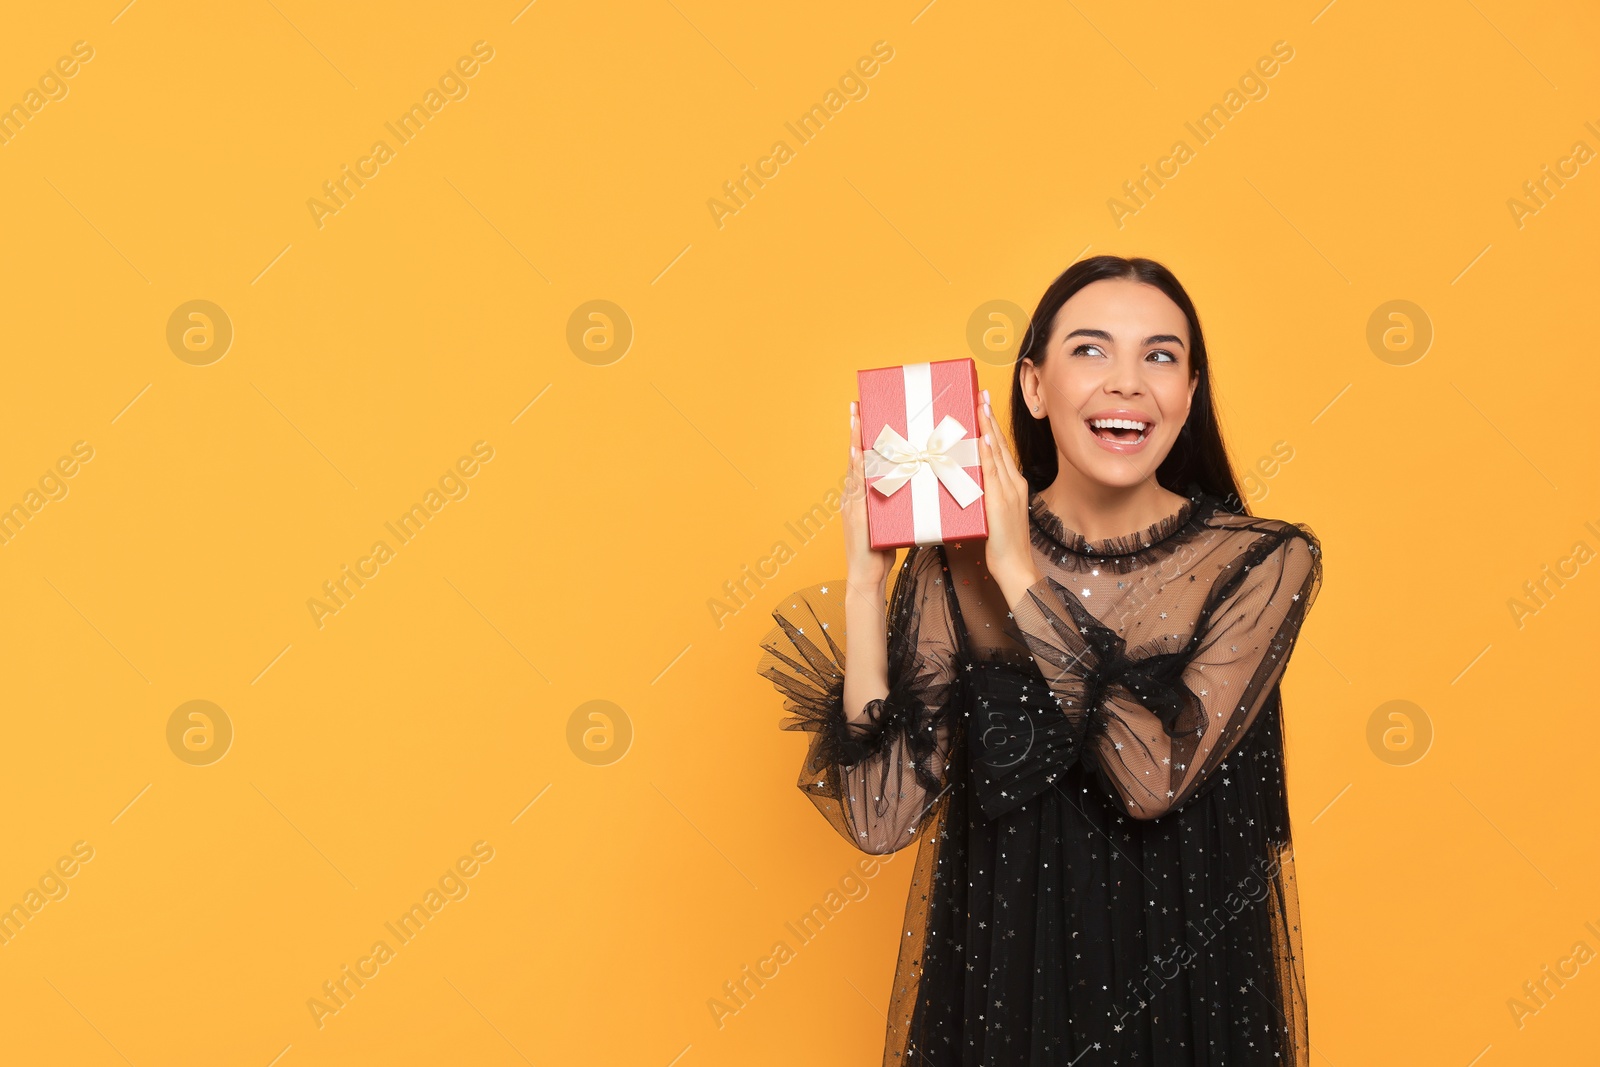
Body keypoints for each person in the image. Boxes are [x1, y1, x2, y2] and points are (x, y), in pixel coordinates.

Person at [756, 255, 1324, 1065]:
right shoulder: (952, 571)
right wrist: (863, 585)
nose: (1128, 382)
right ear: (1032, 385)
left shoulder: (1260, 562)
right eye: (1091, 350)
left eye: (1160, 356)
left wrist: (1018, 573)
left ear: (1189, 394)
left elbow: (1152, 775)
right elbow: (881, 817)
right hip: (1003, 1011)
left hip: (1189, 1009)